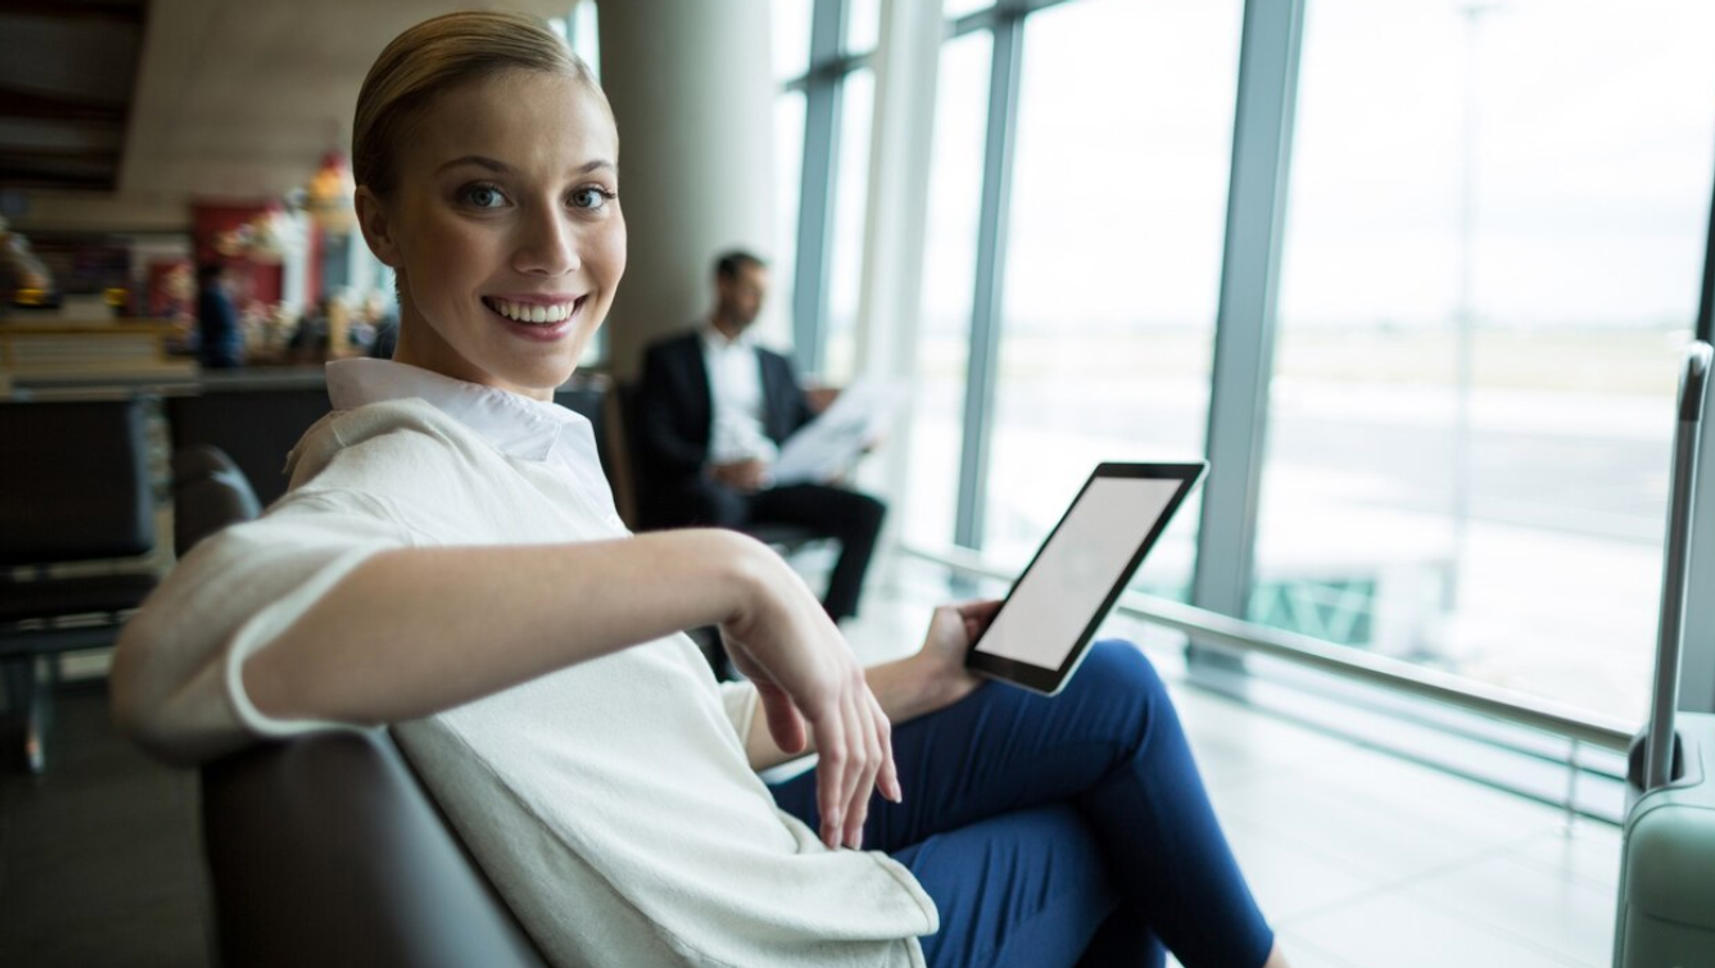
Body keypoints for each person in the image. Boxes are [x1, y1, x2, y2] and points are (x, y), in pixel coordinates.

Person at [109, 12, 1288, 968]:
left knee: (1108, 686)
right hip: (761, 928)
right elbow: (168, 657)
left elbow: (615, 732)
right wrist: (734, 566)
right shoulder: (396, 478)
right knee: (1106, 831)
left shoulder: (507, 450)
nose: (554, 251)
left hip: (738, 841)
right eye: (483, 194)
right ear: (378, 220)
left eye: (588, 193)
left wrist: (895, 678)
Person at [638, 250, 884, 623]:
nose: (759, 303)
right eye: (751, 291)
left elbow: (806, 427)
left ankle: (828, 625)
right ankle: (727, 644)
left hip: (774, 482)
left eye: (764, 294)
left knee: (868, 511)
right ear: (722, 284)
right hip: (713, 486)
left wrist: (853, 442)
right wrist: (717, 470)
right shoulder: (669, 357)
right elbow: (654, 439)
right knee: (718, 510)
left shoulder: (776, 362)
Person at [194, 263, 243, 368]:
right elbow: (227, 325)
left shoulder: (214, 295)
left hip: (218, 351)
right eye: (225, 277)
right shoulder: (214, 296)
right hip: (221, 352)